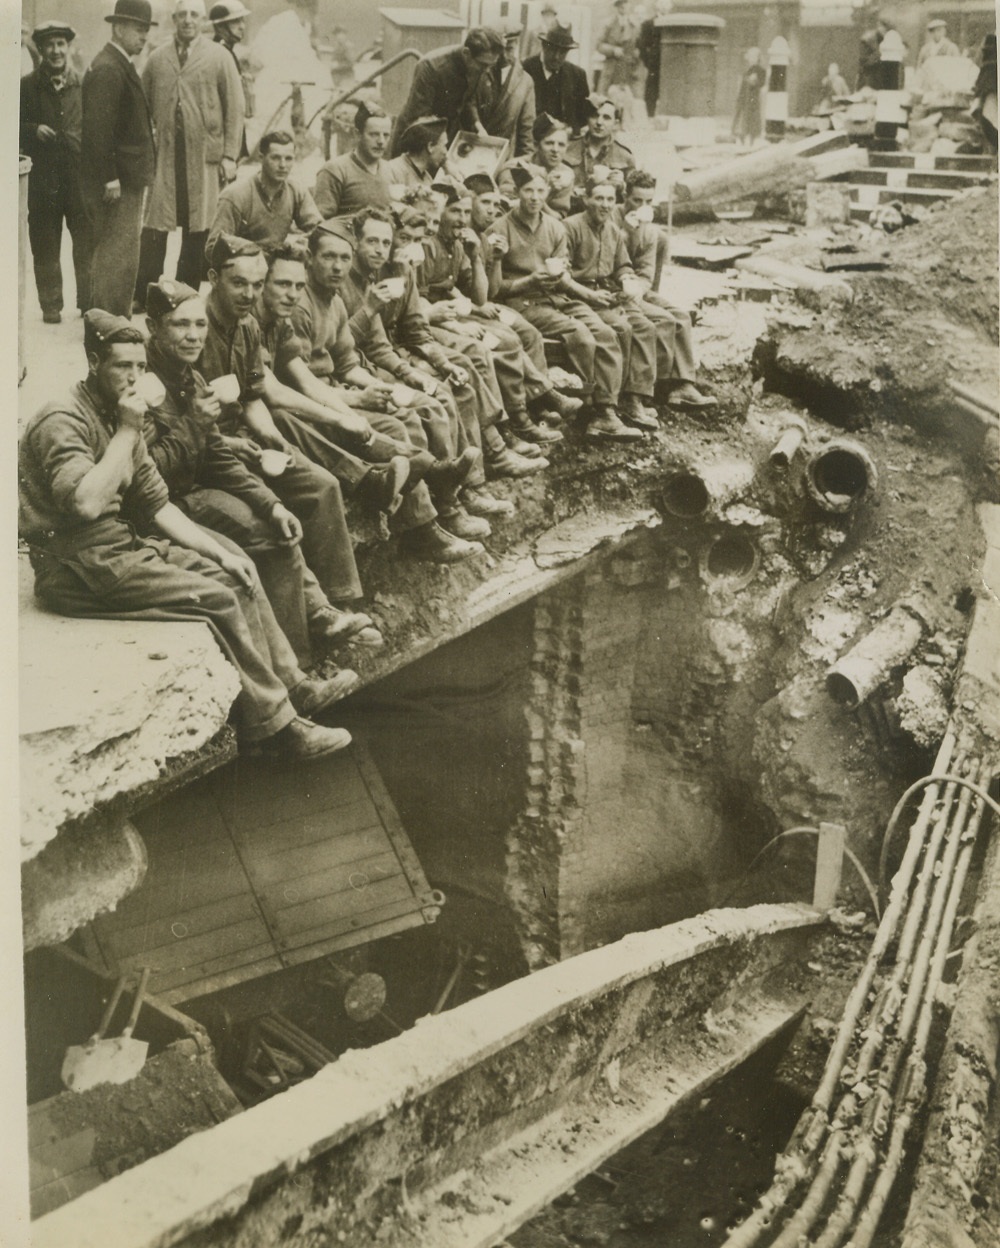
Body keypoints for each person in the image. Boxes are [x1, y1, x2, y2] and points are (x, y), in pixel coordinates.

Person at [19, 309, 356, 759]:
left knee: (237, 574)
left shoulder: (119, 413)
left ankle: (294, 686)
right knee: (216, 599)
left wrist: (218, 553)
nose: (135, 377)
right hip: (74, 566)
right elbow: (85, 503)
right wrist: (126, 430)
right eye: (123, 366)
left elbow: (157, 505)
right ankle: (278, 729)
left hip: (118, 547)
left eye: (140, 367)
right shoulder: (64, 419)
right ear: (94, 361)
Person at [142, 277, 379, 661]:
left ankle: (313, 637)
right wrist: (194, 427)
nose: (192, 336)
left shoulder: (189, 375)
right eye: (179, 325)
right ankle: (298, 665)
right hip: (166, 506)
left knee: (275, 523)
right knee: (258, 543)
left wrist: (272, 505)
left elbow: (217, 456)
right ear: (153, 328)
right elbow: (146, 477)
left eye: (199, 324)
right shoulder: (144, 383)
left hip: (193, 488)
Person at [201, 233, 409, 593]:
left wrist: (270, 438)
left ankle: (344, 595)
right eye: (238, 283)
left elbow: (253, 395)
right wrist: (243, 442)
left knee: (323, 484)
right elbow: (189, 420)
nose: (249, 295)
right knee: (277, 504)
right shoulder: (195, 330)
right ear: (213, 279)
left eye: (255, 284)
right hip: (210, 448)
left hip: (245, 435)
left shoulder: (246, 326)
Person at [286, 224, 489, 561]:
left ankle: (440, 506)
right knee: (396, 426)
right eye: (328, 258)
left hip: (333, 389)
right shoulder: (300, 305)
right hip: (310, 403)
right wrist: (357, 399)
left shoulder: (332, 299)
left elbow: (348, 362)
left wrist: (379, 386)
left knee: (406, 409)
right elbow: (299, 382)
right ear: (311, 260)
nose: (337, 267)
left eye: (343, 259)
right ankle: (422, 528)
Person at [340, 207, 546, 485]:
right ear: (356, 242)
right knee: (441, 395)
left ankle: (490, 458)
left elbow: (415, 328)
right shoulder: (345, 280)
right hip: (363, 364)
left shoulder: (399, 271)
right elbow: (347, 346)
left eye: (385, 243)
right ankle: (461, 488)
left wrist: (442, 363)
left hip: (392, 351)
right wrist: (410, 369)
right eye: (373, 241)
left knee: (458, 377)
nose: (381, 250)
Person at [488, 164, 638, 441]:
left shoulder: (555, 228)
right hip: (522, 302)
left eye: (540, 190)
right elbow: (495, 290)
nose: (534, 197)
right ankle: (587, 406)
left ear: (547, 192)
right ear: (518, 193)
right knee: (581, 336)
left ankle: (606, 409)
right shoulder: (500, 229)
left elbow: (562, 275)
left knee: (606, 332)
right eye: (528, 190)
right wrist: (530, 281)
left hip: (557, 296)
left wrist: (582, 292)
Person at [422, 183, 564, 447]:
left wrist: (476, 257)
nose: (462, 219)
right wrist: (457, 324)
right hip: (432, 318)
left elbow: (479, 296)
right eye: (455, 211)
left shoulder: (459, 243)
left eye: (465, 212)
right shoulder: (427, 245)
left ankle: (526, 413)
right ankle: (509, 427)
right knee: (490, 345)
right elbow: (420, 301)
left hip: (453, 311)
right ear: (439, 213)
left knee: (510, 337)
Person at [136, 0, 244, 305]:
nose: (187, 20)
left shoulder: (219, 57)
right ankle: (146, 292)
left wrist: (230, 156)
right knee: (156, 225)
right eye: (182, 14)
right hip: (167, 156)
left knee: (200, 226)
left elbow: (235, 108)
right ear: (173, 19)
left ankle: (185, 293)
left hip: (205, 157)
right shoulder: (158, 59)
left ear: (203, 20)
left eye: (194, 14)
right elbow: (142, 107)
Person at [562, 177, 659, 431]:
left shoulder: (613, 230)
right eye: (599, 198)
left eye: (609, 199)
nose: (604, 205)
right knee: (619, 329)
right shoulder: (570, 227)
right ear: (586, 200)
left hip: (605, 294)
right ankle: (605, 409)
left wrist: (628, 280)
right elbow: (562, 275)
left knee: (644, 326)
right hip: (577, 296)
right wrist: (587, 294)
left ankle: (632, 398)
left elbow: (623, 265)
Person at [80, 0, 156, 319]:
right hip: (119, 180)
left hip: (127, 177)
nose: (144, 37)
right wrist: (110, 176)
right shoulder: (111, 68)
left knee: (121, 250)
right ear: (119, 28)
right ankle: (111, 320)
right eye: (139, 30)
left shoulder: (117, 63)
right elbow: (99, 129)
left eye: (146, 30)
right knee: (117, 252)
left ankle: (111, 316)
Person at [615, 168, 715, 409]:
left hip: (637, 288)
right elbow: (606, 259)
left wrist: (640, 289)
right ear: (625, 196)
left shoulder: (649, 230)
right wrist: (627, 232)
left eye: (648, 201)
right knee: (660, 320)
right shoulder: (612, 219)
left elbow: (647, 272)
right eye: (636, 200)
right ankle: (654, 389)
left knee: (680, 316)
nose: (641, 206)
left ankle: (682, 386)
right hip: (613, 287)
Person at [20, 20, 90, 324]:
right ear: (40, 48)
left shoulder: (84, 85)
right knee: (45, 242)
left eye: (61, 44)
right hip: (42, 179)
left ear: (69, 47)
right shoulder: (26, 86)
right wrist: (33, 130)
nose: (56, 50)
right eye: (49, 44)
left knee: (86, 242)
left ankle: (88, 303)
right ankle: (50, 305)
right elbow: (7, 125)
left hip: (78, 178)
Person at [390, 27, 505, 156]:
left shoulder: (478, 66)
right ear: (466, 53)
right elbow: (419, 120)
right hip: (413, 143)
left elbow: (468, 99)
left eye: (491, 65)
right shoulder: (431, 66)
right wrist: (443, 160)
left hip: (442, 140)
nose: (487, 71)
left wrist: (478, 126)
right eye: (483, 65)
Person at [207, 129, 320, 258]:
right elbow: (213, 247)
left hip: (277, 265)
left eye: (288, 159)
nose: (283, 165)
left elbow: (319, 230)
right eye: (275, 158)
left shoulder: (296, 190)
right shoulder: (236, 195)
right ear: (262, 158)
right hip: (244, 267)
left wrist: (302, 241)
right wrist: (255, 251)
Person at [314, 101, 395, 219]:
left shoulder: (391, 170)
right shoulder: (335, 170)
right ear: (357, 134)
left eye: (386, 135)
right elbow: (320, 224)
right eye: (374, 134)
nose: (381, 141)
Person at [476, 22, 536, 159]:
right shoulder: (480, 72)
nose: (503, 56)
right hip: (474, 148)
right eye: (499, 50)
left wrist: (524, 160)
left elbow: (526, 129)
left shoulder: (525, 82)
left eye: (509, 49)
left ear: (516, 46)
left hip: (504, 156)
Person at [209, 0, 258, 159]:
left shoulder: (228, 52)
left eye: (242, 20)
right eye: (235, 21)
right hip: (219, 142)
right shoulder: (217, 54)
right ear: (220, 27)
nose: (242, 26)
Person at [523, 24, 591, 135]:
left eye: (562, 52)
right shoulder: (525, 69)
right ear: (544, 46)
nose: (556, 56)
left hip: (564, 142)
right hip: (530, 139)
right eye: (552, 49)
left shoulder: (577, 75)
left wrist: (570, 129)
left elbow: (582, 117)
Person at [565, 94, 636, 189]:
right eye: (594, 116)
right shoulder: (568, 149)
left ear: (615, 124)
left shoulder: (625, 157)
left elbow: (634, 196)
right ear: (587, 119)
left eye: (606, 117)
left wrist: (622, 185)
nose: (599, 122)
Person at [524, 115, 577, 217]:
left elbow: (559, 217)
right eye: (549, 143)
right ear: (536, 145)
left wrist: (543, 199)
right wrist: (548, 190)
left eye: (561, 145)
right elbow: (510, 209)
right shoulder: (517, 166)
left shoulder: (565, 174)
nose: (555, 150)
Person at [382, 116, 451, 191]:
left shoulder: (427, 179)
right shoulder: (392, 171)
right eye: (444, 145)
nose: (445, 152)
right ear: (430, 147)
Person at [637, 0, 671, 119]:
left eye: (667, 6)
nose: (665, 9)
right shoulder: (648, 24)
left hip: (670, 64)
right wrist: (648, 62)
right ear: (658, 8)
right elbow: (641, 45)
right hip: (654, 64)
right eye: (663, 6)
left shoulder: (673, 23)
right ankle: (650, 116)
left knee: (669, 89)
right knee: (651, 90)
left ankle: (665, 115)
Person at [596, 0, 639, 93]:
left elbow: (638, 47)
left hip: (628, 70)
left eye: (626, 2)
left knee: (627, 100)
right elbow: (598, 45)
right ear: (616, 6)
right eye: (620, 3)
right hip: (611, 68)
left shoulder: (634, 25)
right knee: (604, 99)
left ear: (630, 5)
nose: (623, 6)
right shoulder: (608, 24)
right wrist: (613, 50)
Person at [731, 48, 766, 145]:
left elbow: (761, 83)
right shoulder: (747, 69)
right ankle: (741, 136)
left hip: (753, 98)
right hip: (744, 97)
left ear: (757, 58)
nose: (750, 58)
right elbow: (742, 84)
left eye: (752, 56)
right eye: (749, 56)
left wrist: (753, 81)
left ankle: (751, 140)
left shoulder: (760, 70)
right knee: (742, 117)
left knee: (752, 119)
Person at [858, 16, 891, 91]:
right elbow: (865, 62)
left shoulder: (885, 40)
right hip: (869, 83)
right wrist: (881, 54)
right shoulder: (868, 40)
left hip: (880, 84)